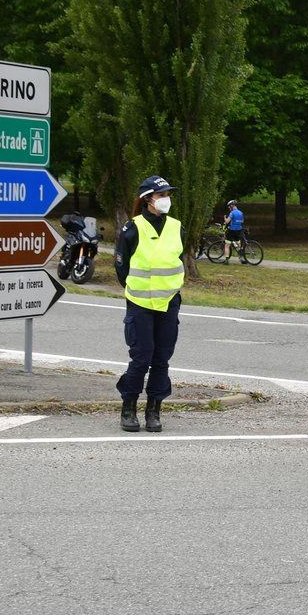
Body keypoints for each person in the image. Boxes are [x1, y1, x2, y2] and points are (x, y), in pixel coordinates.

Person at [113, 175, 185, 433]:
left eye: (168, 194)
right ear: (148, 200)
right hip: (140, 303)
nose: (166, 199)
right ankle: (128, 408)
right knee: (141, 358)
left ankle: (154, 410)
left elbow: (178, 260)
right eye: (162, 195)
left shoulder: (177, 227)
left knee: (161, 359)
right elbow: (121, 266)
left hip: (168, 303)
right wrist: (135, 289)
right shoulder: (133, 227)